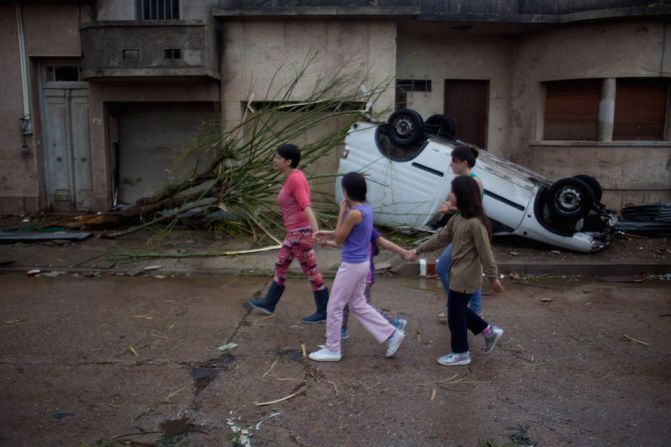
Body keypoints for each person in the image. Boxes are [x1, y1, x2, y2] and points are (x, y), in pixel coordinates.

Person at [407, 175, 504, 366]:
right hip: (458, 274)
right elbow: (441, 238)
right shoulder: (458, 219)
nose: (449, 194)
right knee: (458, 310)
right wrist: (418, 250)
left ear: (461, 195)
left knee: (454, 315)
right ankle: (488, 331)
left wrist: (493, 279)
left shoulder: (476, 224)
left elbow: (486, 253)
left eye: (452, 191)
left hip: (466, 277)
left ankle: (461, 353)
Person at [309, 172, 405, 362]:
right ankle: (392, 333)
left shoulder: (353, 213)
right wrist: (326, 234)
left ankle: (333, 348)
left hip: (352, 265)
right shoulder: (366, 209)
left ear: (346, 192)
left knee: (335, 305)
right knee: (358, 304)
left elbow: (339, 238)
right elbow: (347, 235)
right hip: (361, 264)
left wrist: (341, 212)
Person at [247, 143, 329, 324]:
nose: (274, 161)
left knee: (312, 272)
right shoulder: (293, 176)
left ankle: (324, 312)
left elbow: (305, 205)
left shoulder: (296, 179)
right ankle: (269, 303)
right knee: (281, 266)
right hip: (293, 233)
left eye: (277, 158)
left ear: (288, 161)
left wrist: (316, 232)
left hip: (300, 234)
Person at [317, 227, 410, 339]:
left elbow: (383, 242)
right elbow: (346, 244)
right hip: (360, 272)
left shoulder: (362, 223)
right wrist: (327, 242)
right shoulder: (358, 222)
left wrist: (404, 252)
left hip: (362, 274)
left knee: (361, 306)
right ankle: (342, 329)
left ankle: (392, 323)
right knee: (349, 303)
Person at [436, 145, 484, 322]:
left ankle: (470, 309)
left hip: (470, 232)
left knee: (455, 270)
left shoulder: (474, 181)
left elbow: (473, 208)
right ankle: (457, 306)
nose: (451, 164)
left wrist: (450, 208)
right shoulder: (459, 181)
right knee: (447, 269)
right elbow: (460, 206)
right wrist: (449, 208)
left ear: (464, 162)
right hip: (459, 229)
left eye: (454, 161)